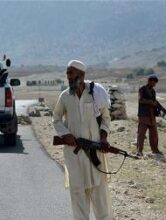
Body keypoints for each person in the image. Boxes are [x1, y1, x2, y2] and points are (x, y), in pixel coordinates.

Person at [53, 60, 112, 220]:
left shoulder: (96, 94)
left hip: (95, 153)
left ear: (82, 75)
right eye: (67, 73)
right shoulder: (64, 96)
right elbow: (56, 119)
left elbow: (106, 118)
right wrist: (65, 134)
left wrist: (104, 136)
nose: (68, 77)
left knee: (100, 199)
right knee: (78, 196)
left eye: (71, 73)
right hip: (74, 154)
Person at [136, 75, 163, 157]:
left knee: (154, 133)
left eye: (155, 83)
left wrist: (158, 107)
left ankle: (155, 149)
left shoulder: (153, 91)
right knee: (141, 134)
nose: (154, 84)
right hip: (144, 115)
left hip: (152, 115)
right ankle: (139, 151)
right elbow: (141, 100)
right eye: (153, 82)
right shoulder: (142, 89)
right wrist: (151, 102)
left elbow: (154, 101)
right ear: (149, 81)